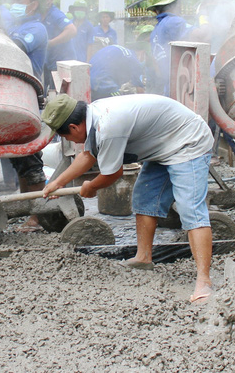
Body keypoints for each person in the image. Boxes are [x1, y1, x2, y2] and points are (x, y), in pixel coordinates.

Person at [41, 94, 215, 303]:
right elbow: (88, 156)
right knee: (144, 198)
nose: (70, 141)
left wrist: (91, 186)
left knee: (190, 209)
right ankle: (143, 258)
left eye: (67, 137)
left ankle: (204, 282)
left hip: (188, 142)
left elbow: (113, 174)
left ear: (74, 127)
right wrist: (57, 183)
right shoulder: (93, 115)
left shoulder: (107, 127)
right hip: (164, 145)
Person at [6, 0, 50, 231]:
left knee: (31, 159)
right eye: (12, 0)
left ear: (33, 5)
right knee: (19, 158)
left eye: (19, 1)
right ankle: (28, 211)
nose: (14, 5)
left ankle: (37, 216)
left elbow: (14, 49)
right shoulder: (14, 27)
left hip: (28, 99)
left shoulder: (36, 29)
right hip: (13, 98)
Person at [148, 0, 193, 96]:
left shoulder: (155, 31)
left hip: (168, 88)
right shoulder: (173, 22)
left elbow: (157, 68)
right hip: (181, 89)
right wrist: (204, 16)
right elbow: (202, 36)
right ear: (175, 5)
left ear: (156, 10)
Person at [38, 0, 77, 90]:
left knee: (60, 94)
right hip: (48, 62)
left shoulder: (55, 14)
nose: (44, 0)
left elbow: (71, 30)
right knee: (48, 93)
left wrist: (50, 43)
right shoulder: (38, 14)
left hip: (62, 63)